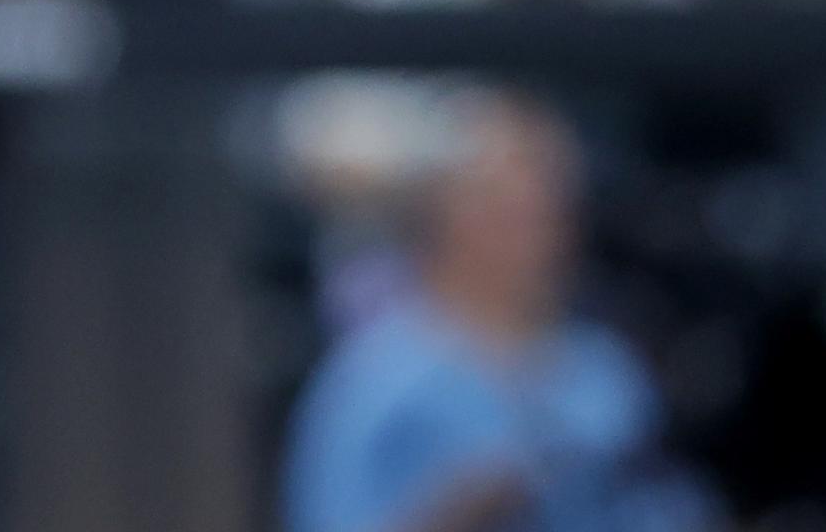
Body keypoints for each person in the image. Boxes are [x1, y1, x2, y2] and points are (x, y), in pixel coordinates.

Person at [280, 93, 712, 532]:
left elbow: (667, 508)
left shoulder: (605, 370)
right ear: (446, 214)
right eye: (511, 210)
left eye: (554, 209)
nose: (542, 233)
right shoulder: (373, 382)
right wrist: (454, 514)